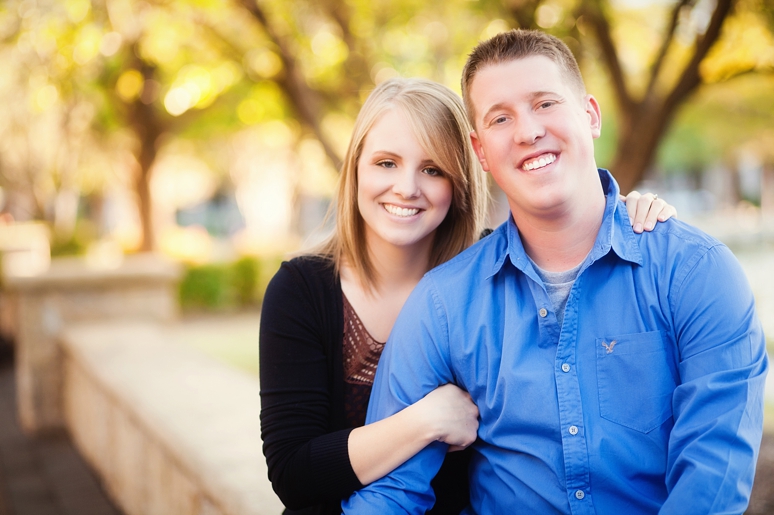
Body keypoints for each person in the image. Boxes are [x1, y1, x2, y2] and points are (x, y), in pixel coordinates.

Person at [343, 30, 767, 515]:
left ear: (590, 115)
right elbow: (390, 494)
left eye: (545, 104)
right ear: (480, 152)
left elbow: (711, 484)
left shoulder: (695, 273)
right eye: (501, 117)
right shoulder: (444, 301)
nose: (527, 132)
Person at [260, 77, 675, 515]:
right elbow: (293, 473)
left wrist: (623, 210)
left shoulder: (497, 272)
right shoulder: (302, 289)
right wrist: (424, 422)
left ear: (459, 182)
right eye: (386, 163)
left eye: (432, 169)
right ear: (356, 166)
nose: (406, 187)